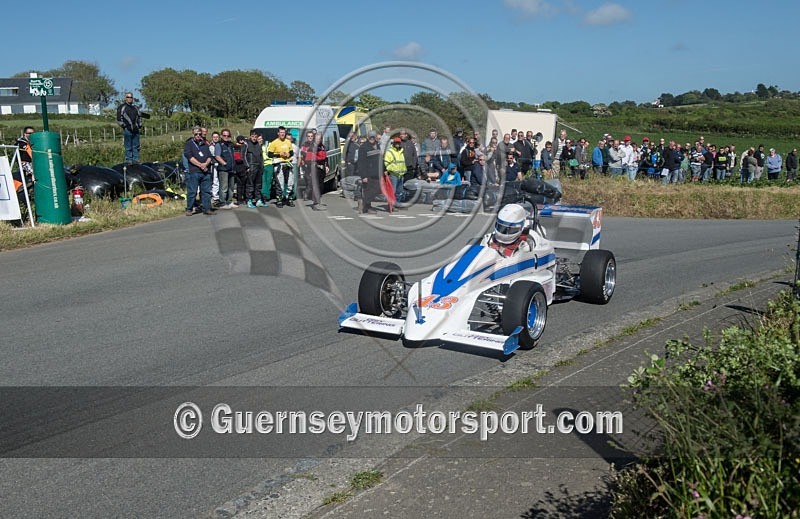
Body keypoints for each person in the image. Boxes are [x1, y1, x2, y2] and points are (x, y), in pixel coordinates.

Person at [183, 126, 213, 215]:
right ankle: (189, 209)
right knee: (192, 191)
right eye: (196, 134)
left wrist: (205, 164)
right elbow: (189, 157)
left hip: (205, 171)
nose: (198, 136)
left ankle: (207, 208)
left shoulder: (205, 144)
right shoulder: (189, 144)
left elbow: (210, 156)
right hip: (194, 171)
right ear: (193, 134)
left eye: (200, 134)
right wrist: (200, 165)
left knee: (206, 191)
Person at [267, 126, 295, 208]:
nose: (282, 134)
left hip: (288, 164)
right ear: (278, 133)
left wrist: (289, 154)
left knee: (290, 182)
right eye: (281, 132)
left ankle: (289, 199)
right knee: (280, 183)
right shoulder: (274, 143)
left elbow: (291, 152)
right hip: (279, 164)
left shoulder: (288, 142)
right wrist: (279, 154)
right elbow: (270, 154)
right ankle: (279, 200)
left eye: (284, 132)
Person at [116, 92, 146, 164]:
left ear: (133, 98)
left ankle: (136, 160)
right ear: (125, 98)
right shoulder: (122, 107)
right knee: (128, 146)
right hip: (127, 130)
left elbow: (139, 117)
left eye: (131, 97)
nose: (130, 99)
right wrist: (124, 126)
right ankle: (128, 160)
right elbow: (118, 119)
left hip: (136, 130)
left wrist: (139, 125)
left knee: (136, 146)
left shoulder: (135, 107)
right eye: (128, 97)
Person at [358, 130, 382, 213]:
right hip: (368, 173)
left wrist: (384, 170)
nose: (372, 138)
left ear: (375, 137)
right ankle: (366, 207)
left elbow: (380, 160)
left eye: (373, 137)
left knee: (377, 189)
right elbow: (361, 163)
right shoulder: (363, 147)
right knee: (369, 190)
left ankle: (365, 203)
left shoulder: (378, 146)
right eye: (370, 137)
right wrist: (363, 176)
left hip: (377, 173)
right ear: (368, 137)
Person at [242, 130, 265, 208]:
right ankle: (249, 200)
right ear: (250, 136)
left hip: (259, 167)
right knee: (250, 185)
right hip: (251, 167)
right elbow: (243, 156)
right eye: (252, 136)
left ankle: (258, 200)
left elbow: (261, 156)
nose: (254, 138)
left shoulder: (258, 144)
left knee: (258, 184)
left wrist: (262, 166)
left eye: (255, 137)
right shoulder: (246, 144)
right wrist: (247, 166)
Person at [215, 129, 236, 209]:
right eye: (224, 135)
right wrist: (224, 163)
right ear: (221, 136)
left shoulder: (230, 145)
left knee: (231, 186)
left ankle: (229, 201)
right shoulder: (219, 145)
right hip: (223, 169)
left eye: (228, 135)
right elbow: (217, 156)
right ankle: (222, 202)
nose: (226, 137)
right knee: (224, 186)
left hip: (232, 168)